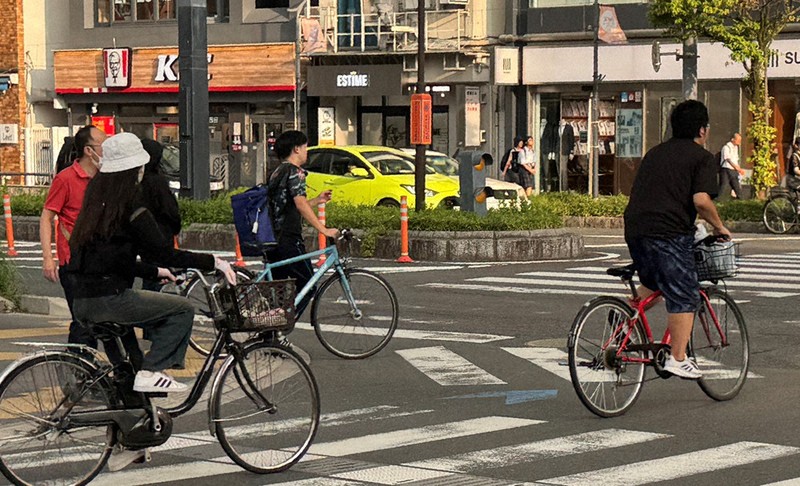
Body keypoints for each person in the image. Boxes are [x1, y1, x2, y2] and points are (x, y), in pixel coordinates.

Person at [66, 132, 237, 394]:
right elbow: (164, 252)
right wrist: (213, 261)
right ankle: (154, 370)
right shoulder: (133, 208)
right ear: (136, 169)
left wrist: (154, 271)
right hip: (110, 300)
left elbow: (112, 261)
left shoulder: (95, 206)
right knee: (181, 309)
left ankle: (133, 417)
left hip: (83, 301)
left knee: (130, 375)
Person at [623, 100, 732, 380]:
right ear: (702, 129)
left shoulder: (654, 153)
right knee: (685, 292)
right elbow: (701, 201)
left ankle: (624, 321)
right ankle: (678, 358)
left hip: (635, 228)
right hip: (668, 232)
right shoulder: (701, 157)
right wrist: (719, 227)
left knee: (653, 282)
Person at [40, 125, 106, 353]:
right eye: (102, 144)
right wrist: (48, 259)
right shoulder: (66, 179)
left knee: (96, 319)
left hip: (99, 260)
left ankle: (83, 365)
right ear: (89, 150)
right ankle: (77, 367)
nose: (106, 148)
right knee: (82, 319)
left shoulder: (104, 178)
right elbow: (47, 216)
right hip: (74, 262)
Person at [267, 130, 338, 318]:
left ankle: (271, 333)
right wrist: (324, 230)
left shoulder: (277, 171)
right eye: (305, 146)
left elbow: (288, 204)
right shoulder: (295, 172)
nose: (307, 151)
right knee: (308, 283)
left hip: (272, 239)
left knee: (280, 291)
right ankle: (282, 324)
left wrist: (316, 200)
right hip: (288, 239)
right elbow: (299, 204)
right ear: (296, 149)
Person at [139, 138, 182, 292]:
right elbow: (170, 210)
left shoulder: (137, 180)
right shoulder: (157, 181)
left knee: (150, 275)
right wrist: (175, 227)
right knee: (158, 278)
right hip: (160, 236)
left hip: (142, 238)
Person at [718, 132, 745, 199]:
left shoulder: (736, 148)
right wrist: (736, 167)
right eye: (738, 140)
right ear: (733, 139)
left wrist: (738, 168)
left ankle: (740, 199)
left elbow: (735, 159)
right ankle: (720, 200)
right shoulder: (726, 147)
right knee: (724, 186)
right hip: (726, 169)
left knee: (736, 185)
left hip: (733, 170)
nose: (739, 142)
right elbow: (728, 159)